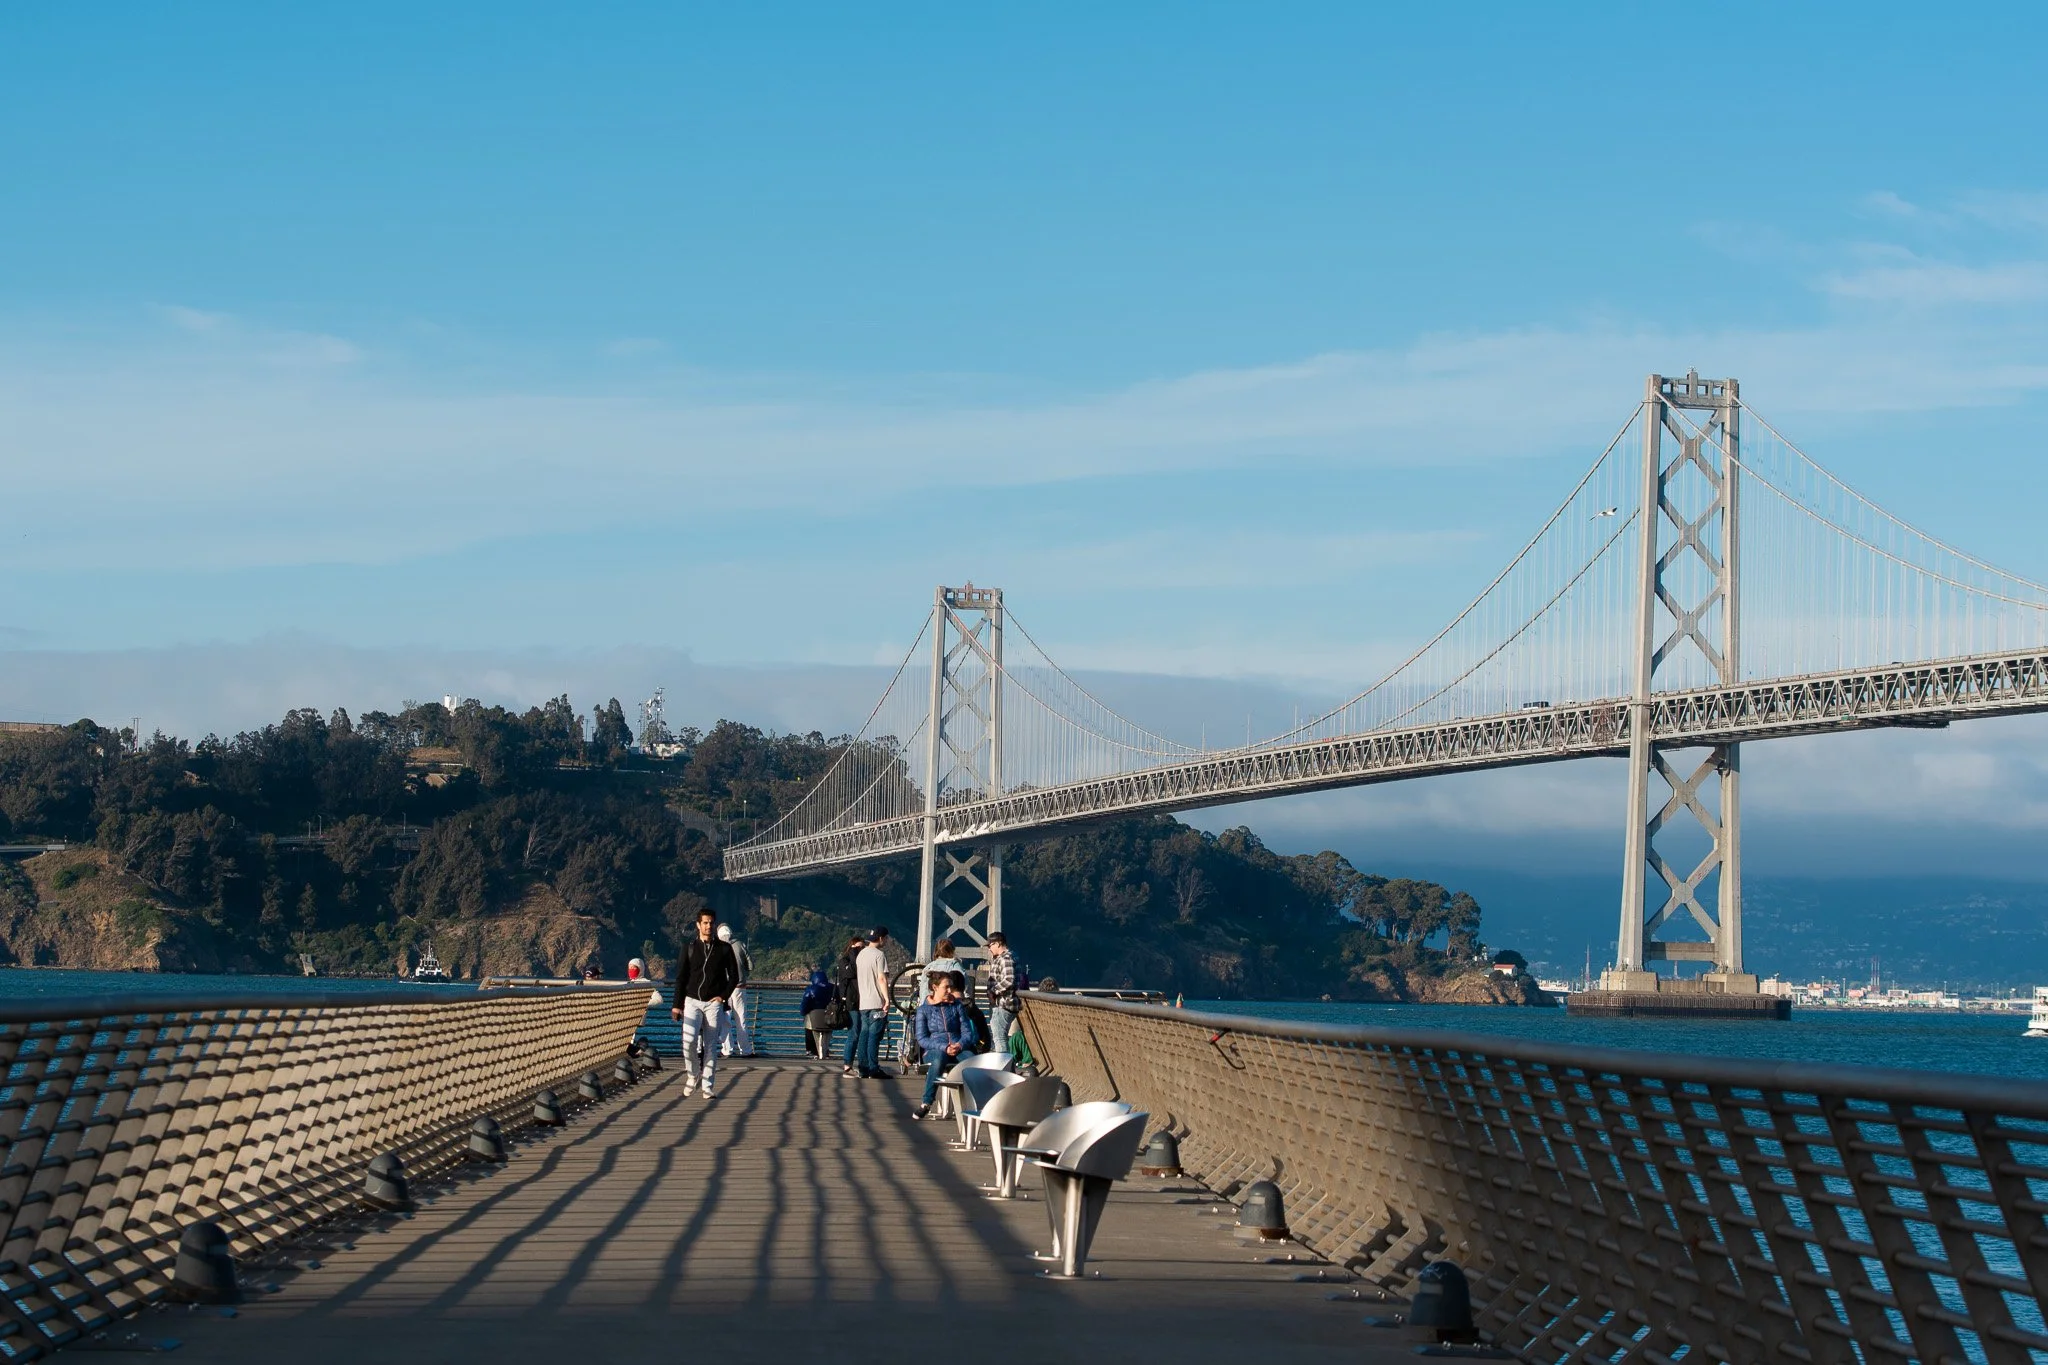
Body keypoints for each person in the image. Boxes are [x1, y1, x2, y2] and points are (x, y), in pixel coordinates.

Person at [670, 907, 740, 1099]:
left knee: (710, 1045)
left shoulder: (724, 949)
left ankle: (708, 1085)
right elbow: (681, 978)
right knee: (689, 1041)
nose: (708, 926)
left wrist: (723, 996)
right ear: (698, 925)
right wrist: (677, 1005)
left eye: (711, 923)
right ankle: (692, 1075)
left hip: (713, 1003)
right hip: (691, 1000)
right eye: (705, 923)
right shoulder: (690, 947)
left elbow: (734, 976)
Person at [911, 972, 976, 1118]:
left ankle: (977, 1102)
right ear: (935, 987)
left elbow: (967, 1033)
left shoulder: (957, 1006)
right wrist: (944, 1047)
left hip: (957, 1046)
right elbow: (922, 1039)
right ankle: (926, 1102)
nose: (949, 990)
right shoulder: (923, 1010)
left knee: (973, 1061)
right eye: (946, 987)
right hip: (935, 1049)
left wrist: (959, 1045)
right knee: (938, 1058)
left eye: (951, 987)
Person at [850, 925, 892, 1079]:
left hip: (864, 1002)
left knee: (864, 1035)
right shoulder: (879, 955)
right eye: (886, 938)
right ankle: (874, 1068)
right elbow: (881, 978)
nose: (886, 941)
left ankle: (863, 1067)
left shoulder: (861, 955)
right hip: (876, 1002)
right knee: (874, 1036)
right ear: (881, 938)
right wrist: (887, 999)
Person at [716, 923, 756, 1058]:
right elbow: (750, 965)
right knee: (741, 1020)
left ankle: (727, 1049)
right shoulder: (740, 944)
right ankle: (745, 1050)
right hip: (740, 988)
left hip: (724, 989)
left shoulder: (717, 948)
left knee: (725, 1019)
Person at [836, 933, 867, 1076]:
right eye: (857, 948)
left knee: (861, 1032)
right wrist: (854, 953)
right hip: (851, 1001)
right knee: (854, 1033)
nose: (860, 950)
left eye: (862, 948)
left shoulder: (861, 961)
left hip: (863, 1001)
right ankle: (847, 1065)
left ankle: (861, 1064)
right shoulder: (844, 961)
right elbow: (852, 972)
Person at [985, 931, 1019, 1060]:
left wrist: (993, 991)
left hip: (1004, 1003)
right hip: (1004, 1003)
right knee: (1000, 1036)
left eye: (990, 945)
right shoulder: (1010, 956)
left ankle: (1004, 1067)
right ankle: (1005, 1067)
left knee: (999, 1037)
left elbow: (1009, 980)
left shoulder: (1005, 958)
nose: (989, 948)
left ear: (998, 943)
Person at [800, 965, 837, 1059]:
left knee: (808, 1021)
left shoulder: (810, 989)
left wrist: (803, 1013)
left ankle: (811, 1050)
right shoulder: (834, 988)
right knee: (827, 1032)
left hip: (815, 1019)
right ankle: (826, 1050)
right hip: (830, 1018)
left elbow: (805, 1005)